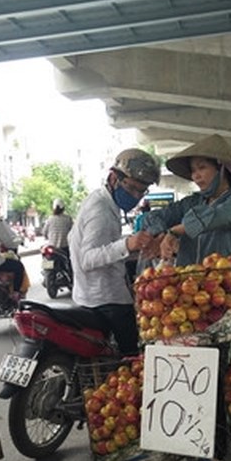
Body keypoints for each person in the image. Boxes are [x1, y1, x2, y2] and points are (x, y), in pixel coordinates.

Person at [68, 148, 158, 355]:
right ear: (113, 178)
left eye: (141, 191)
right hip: (106, 300)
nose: (135, 196)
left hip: (92, 294)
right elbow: (87, 259)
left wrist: (133, 248)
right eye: (132, 188)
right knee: (132, 356)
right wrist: (127, 245)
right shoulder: (100, 208)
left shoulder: (104, 201)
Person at [143, 134, 231, 269]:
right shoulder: (192, 202)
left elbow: (215, 216)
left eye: (202, 167)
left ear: (222, 169)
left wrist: (173, 232)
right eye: (193, 170)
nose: (195, 176)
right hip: (188, 285)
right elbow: (153, 216)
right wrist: (159, 235)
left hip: (224, 285)